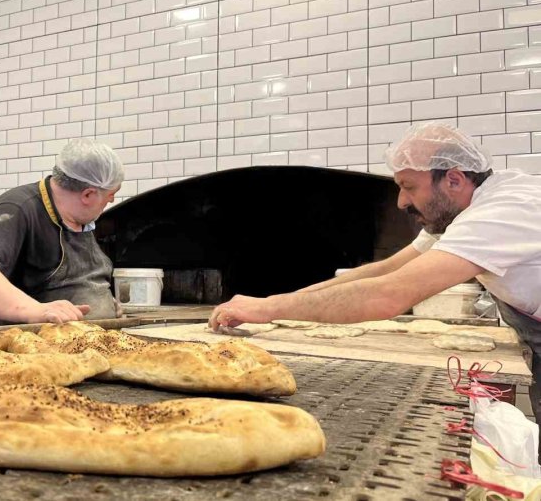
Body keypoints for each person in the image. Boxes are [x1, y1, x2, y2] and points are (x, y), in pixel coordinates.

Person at [209, 121, 541, 418]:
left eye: (409, 186)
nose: (401, 202)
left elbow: (389, 294)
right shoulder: (464, 210)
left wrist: (267, 309)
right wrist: (277, 302)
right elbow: (385, 271)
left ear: (453, 179)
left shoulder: (503, 212)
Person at [0, 138, 124, 327]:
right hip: (16, 349)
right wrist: (37, 310)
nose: (111, 202)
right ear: (87, 194)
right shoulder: (18, 208)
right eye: (110, 196)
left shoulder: (81, 219)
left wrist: (103, 305)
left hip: (76, 347)